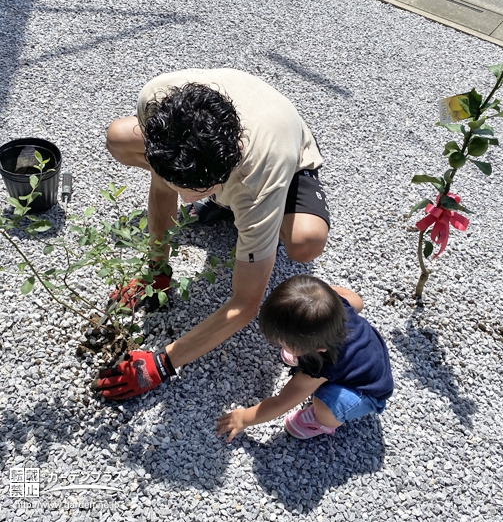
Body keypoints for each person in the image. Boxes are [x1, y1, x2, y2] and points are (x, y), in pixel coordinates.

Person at [93, 68, 330, 400]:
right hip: (224, 150)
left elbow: (245, 303)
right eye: (184, 189)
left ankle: (234, 206)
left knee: (306, 242)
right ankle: (221, 200)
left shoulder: (260, 182)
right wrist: (156, 271)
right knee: (118, 136)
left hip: (286, 149)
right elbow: (162, 187)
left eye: (199, 191)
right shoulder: (157, 101)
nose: (189, 202)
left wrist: (162, 363)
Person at [216, 275, 394, 441]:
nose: (278, 343)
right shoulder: (336, 306)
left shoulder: (321, 365)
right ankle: (302, 350)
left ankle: (323, 423)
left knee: (325, 406)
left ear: (317, 349)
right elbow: (358, 301)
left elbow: (282, 401)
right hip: (371, 354)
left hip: (368, 392)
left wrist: (244, 418)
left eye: (283, 342)